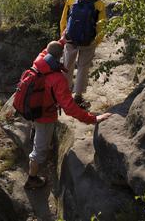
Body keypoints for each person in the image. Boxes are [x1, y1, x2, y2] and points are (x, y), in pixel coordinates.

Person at [24, 41, 111, 189]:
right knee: (38, 152)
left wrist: (63, 38)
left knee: (39, 132)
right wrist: (93, 119)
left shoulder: (39, 60)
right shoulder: (57, 79)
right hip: (44, 117)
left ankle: (37, 137)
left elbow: (48, 49)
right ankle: (31, 179)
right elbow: (70, 108)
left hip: (32, 109)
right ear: (61, 56)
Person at [60, 0, 107, 109]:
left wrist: (63, 36)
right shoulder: (99, 4)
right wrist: (96, 41)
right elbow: (101, 26)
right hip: (88, 42)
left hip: (70, 39)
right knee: (83, 67)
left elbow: (63, 20)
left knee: (67, 66)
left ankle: (64, 94)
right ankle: (78, 97)